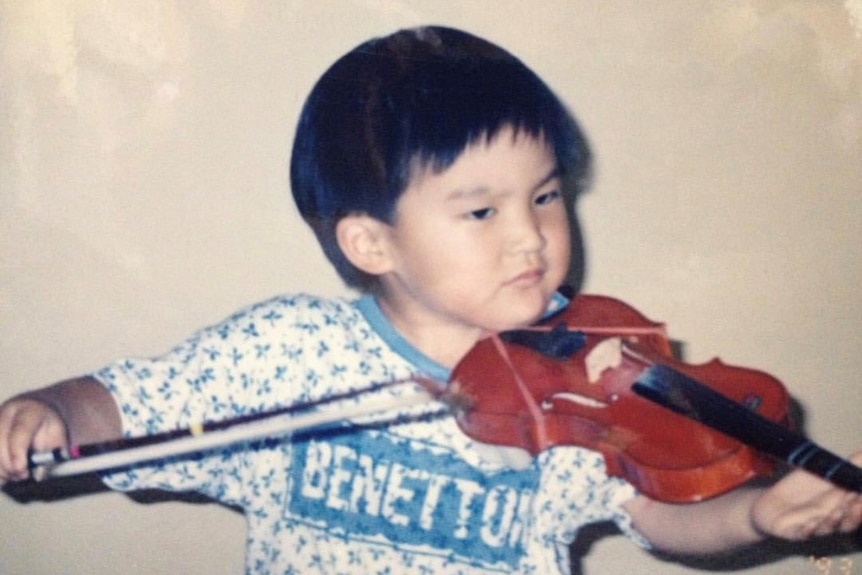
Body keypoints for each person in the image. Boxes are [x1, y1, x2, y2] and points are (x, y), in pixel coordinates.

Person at [0, 25, 859, 575]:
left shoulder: (589, 380)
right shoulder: (288, 351)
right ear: (371, 241)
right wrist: (50, 408)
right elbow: (129, 403)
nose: (531, 237)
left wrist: (759, 516)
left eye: (546, 196)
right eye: (482, 210)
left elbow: (662, 519)